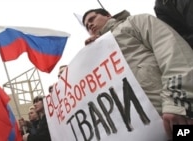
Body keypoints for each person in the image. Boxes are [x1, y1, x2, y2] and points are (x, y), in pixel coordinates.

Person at [82, 8, 193, 140]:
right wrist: (91, 56)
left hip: (177, 117)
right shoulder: (95, 56)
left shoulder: (135, 22)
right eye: (87, 26)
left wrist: (177, 102)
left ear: (108, 15)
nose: (89, 25)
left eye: (92, 19)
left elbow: (174, 53)